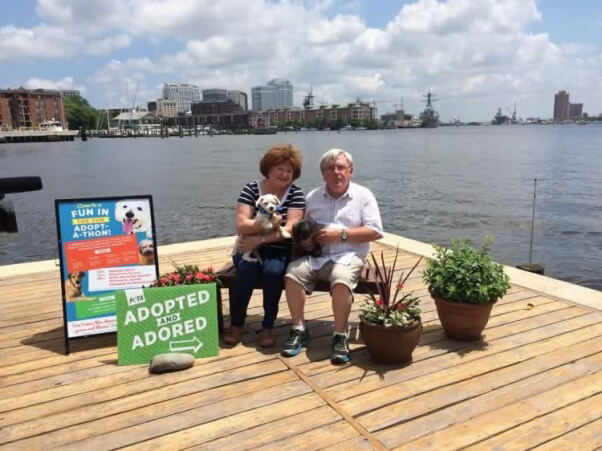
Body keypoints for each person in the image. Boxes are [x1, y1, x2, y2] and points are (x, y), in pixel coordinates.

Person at [281, 148, 383, 364]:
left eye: (341, 168)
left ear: (350, 171)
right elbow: (302, 229)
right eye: (330, 168)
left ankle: (339, 335)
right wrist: (307, 239)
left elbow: (376, 231)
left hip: (348, 255)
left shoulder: (363, 196)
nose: (336, 172)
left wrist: (342, 234)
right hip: (316, 256)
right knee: (292, 274)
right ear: (323, 173)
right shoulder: (313, 197)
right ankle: (299, 329)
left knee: (340, 279)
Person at [225, 144, 306, 348]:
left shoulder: (296, 194)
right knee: (246, 269)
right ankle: (236, 323)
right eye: (280, 168)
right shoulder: (251, 189)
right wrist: (269, 227)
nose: (285, 174)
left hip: (280, 250)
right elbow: (241, 224)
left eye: (289, 171)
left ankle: (268, 325)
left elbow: (289, 230)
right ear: (268, 168)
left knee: (273, 272)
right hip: (247, 248)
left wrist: (259, 238)